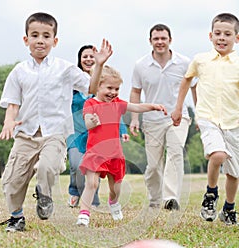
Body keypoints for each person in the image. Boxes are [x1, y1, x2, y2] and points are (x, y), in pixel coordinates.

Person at [0, 12, 112, 232]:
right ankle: (17, 217)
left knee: (48, 167)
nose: (40, 40)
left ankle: (45, 195)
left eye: (46, 35)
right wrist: (8, 122)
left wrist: (98, 66)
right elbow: (12, 104)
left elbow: (91, 87)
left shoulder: (65, 69)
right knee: (11, 181)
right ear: (26, 40)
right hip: (26, 134)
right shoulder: (19, 71)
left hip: (55, 132)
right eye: (35, 35)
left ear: (54, 41)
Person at [76, 65, 167, 227]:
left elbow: (136, 107)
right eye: (109, 88)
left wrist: (153, 106)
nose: (113, 92)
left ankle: (114, 202)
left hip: (114, 155)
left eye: (117, 89)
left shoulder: (117, 103)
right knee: (92, 183)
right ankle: (84, 215)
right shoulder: (90, 103)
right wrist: (93, 121)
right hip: (95, 153)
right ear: (98, 86)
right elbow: (88, 123)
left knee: (115, 188)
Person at [172, 13, 239, 225]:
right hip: (208, 118)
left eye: (227, 34)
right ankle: (211, 194)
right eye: (218, 33)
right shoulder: (201, 60)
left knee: (234, 173)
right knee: (217, 155)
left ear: (236, 37)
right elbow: (186, 81)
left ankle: (229, 208)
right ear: (210, 36)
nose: (222, 38)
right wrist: (179, 107)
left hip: (234, 121)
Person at [129, 24, 196, 210]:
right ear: (150, 41)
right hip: (152, 120)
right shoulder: (140, 65)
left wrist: (200, 116)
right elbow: (135, 92)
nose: (160, 42)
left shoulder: (184, 62)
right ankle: (155, 200)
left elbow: (195, 87)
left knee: (175, 153)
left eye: (163, 38)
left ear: (170, 40)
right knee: (153, 166)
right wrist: (135, 119)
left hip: (178, 117)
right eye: (156, 39)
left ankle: (171, 198)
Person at [67, 45, 129, 208]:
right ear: (79, 60)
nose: (88, 59)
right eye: (84, 56)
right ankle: (74, 190)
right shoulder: (72, 83)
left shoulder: (104, 84)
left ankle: (92, 200)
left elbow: (114, 109)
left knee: (96, 165)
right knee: (75, 163)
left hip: (96, 132)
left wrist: (122, 129)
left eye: (91, 56)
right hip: (76, 131)